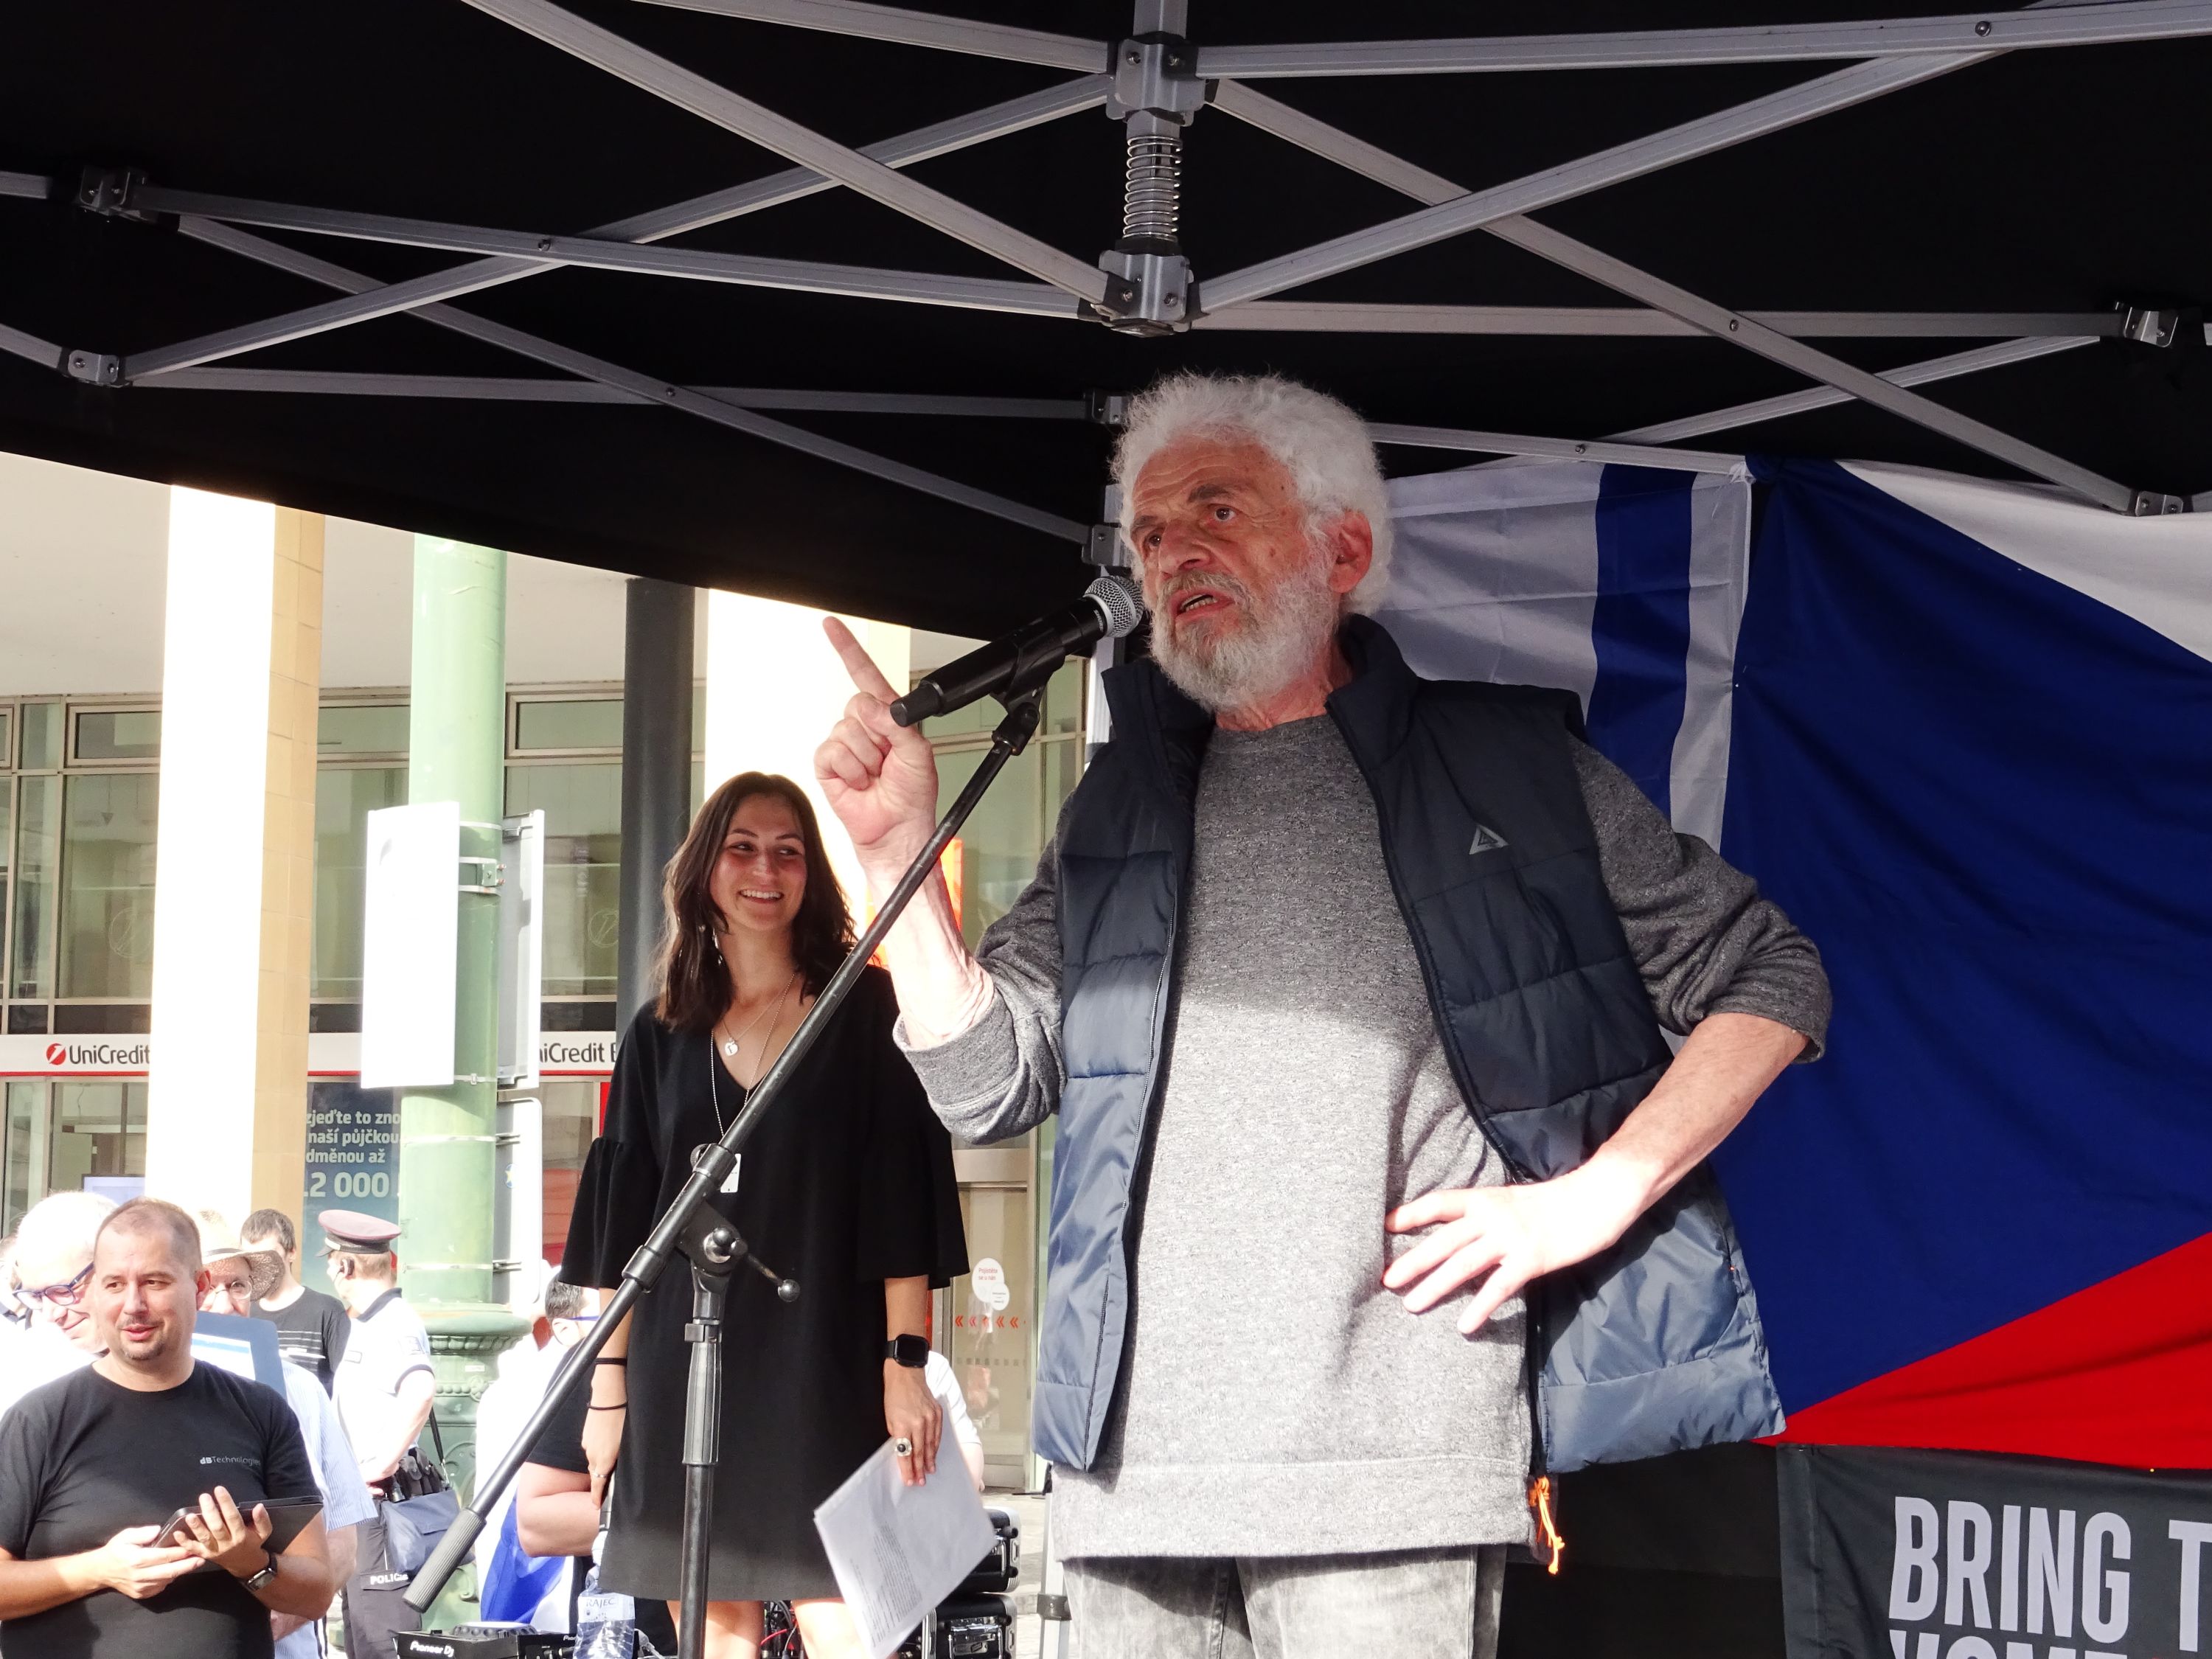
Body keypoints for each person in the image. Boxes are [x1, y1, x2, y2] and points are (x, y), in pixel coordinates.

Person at [815, 371, 1833, 1659]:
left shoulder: (1510, 768)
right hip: (1131, 1481)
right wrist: (896, 863)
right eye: (1149, 533)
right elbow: (987, 1085)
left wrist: (1594, 1196)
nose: (1172, 553)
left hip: (1390, 1477)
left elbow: (1772, 974)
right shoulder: (1116, 803)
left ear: (1342, 550)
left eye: (1216, 510)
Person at [565, 771, 967, 1659]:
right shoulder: (658, 1035)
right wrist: (607, 1388)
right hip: (684, 1359)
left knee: (849, 1624)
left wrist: (906, 1362)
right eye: (742, 848)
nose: (764, 870)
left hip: (828, 1359)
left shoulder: (866, 1010)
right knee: (713, 1629)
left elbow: (899, 1196)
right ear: (706, 870)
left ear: (810, 874)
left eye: (788, 851)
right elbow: (622, 1228)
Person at [0, 1197, 335, 1658]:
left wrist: (249, 1563)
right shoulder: (38, 1421)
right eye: (115, 1284)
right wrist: (99, 1570)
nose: (133, 1305)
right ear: (95, 1293)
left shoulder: (261, 1411)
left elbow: (317, 1592)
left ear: (198, 1287)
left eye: (154, 1282)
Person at [197, 1211, 377, 1659]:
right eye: (208, 1287)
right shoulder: (132, 1390)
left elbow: (342, 1539)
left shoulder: (300, 1388)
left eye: (237, 1286)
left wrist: (279, 1618)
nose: (224, 1305)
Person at [319, 1210, 434, 1487]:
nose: (328, 1272)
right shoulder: (370, 1320)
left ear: (346, 1267)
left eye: (330, 1262)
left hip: (381, 1489)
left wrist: (379, 1467)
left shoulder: (394, 1320)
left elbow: (421, 1389)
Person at [0, 1191, 117, 1418]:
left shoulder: (182, 1362)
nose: (51, 1314)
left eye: (62, 1291)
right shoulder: (25, 1376)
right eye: (37, 1296)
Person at [240, 1209, 349, 1394]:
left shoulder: (326, 1311)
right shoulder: (243, 1312)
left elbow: (346, 1386)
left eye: (269, 1255)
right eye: (250, 1258)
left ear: (292, 1252)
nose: (260, 1264)